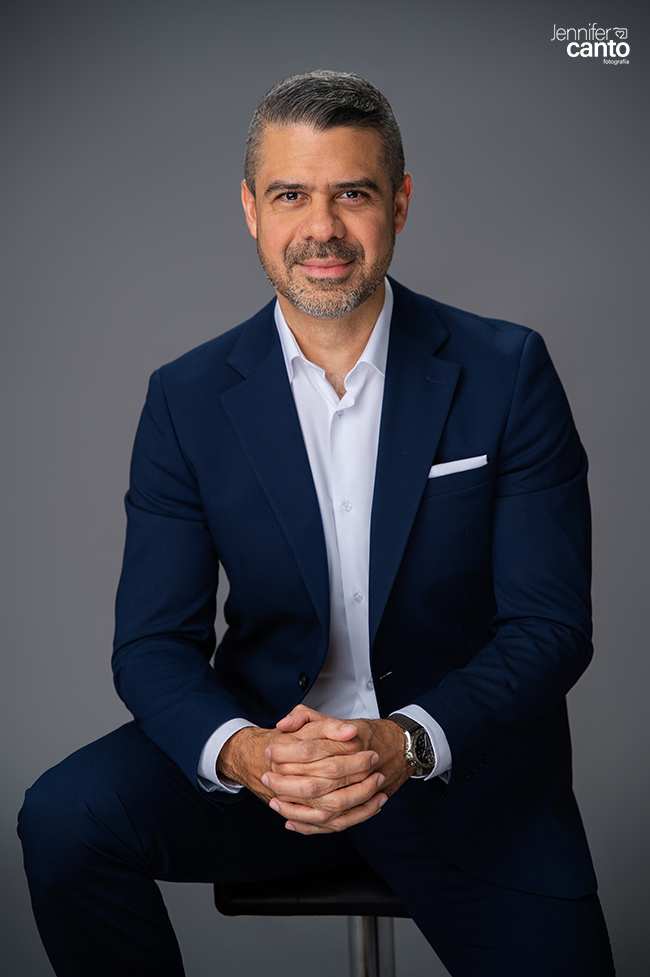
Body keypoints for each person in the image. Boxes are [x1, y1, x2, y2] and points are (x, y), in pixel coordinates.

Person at [19, 70, 615, 977]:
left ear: (400, 203)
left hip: (461, 774)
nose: (322, 227)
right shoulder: (186, 398)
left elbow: (550, 625)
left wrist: (406, 741)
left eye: (354, 194)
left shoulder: (508, 371)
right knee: (66, 819)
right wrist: (246, 752)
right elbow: (151, 644)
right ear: (250, 209)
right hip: (272, 774)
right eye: (291, 194)